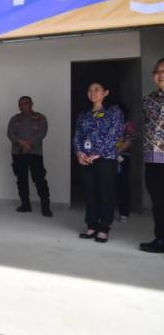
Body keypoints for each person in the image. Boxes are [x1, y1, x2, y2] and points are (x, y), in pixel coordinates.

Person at [74, 82, 123, 244]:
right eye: (90, 90)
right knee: (90, 192)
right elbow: (77, 136)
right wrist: (79, 152)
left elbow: (114, 134)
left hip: (105, 158)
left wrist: (98, 153)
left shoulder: (113, 112)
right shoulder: (84, 114)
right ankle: (91, 225)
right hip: (86, 159)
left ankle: (104, 228)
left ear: (106, 92)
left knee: (105, 193)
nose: (92, 93)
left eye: (97, 89)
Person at [7, 96, 53, 217]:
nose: (22, 106)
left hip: (35, 153)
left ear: (31, 104)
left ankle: (45, 207)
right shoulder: (14, 119)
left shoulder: (40, 118)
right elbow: (10, 133)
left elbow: (42, 133)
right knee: (21, 180)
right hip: (18, 153)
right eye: (20, 104)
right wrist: (21, 142)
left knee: (39, 179)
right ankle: (25, 204)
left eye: (25, 103)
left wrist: (29, 143)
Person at [140, 58, 164, 253]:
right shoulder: (148, 100)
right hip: (154, 160)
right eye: (157, 71)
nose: (161, 74)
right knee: (158, 202)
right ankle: (161, 240)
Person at [115, 105, 135, 223]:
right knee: (108, 185)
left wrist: (117, 151)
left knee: (123, 185)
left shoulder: (128, 124)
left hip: (123, 157)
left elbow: (128, 141)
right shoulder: (109, 122)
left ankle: (124, 213)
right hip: (108, 157)